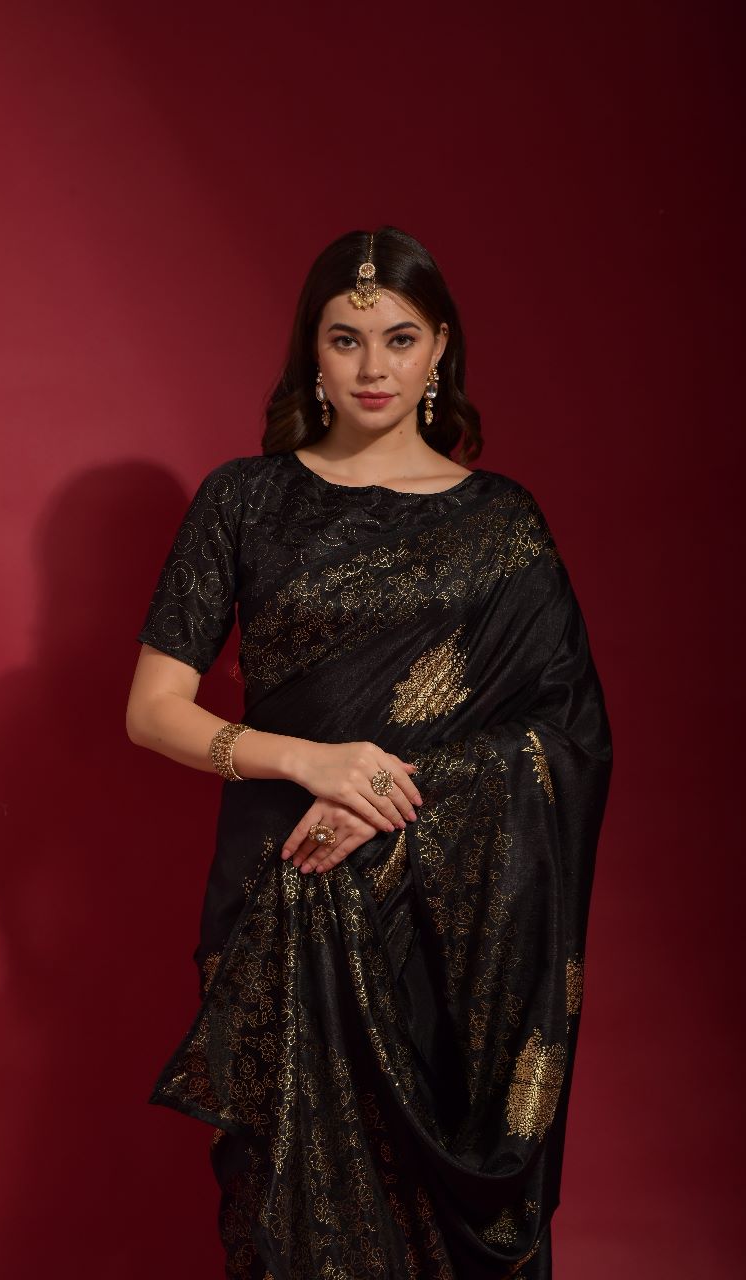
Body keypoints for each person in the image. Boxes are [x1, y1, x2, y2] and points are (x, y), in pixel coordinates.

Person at [125, 226, 613, 1280]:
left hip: (442, 922)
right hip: (280, 892)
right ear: (312, 351)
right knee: (290, 1216)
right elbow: (154, 710)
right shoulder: (243, 501)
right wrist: (311, 761)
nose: (372, 367)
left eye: (399, 338)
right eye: (345, 339)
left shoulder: (501, 525)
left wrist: (394, 789)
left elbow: (567, 736)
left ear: (440, 350)